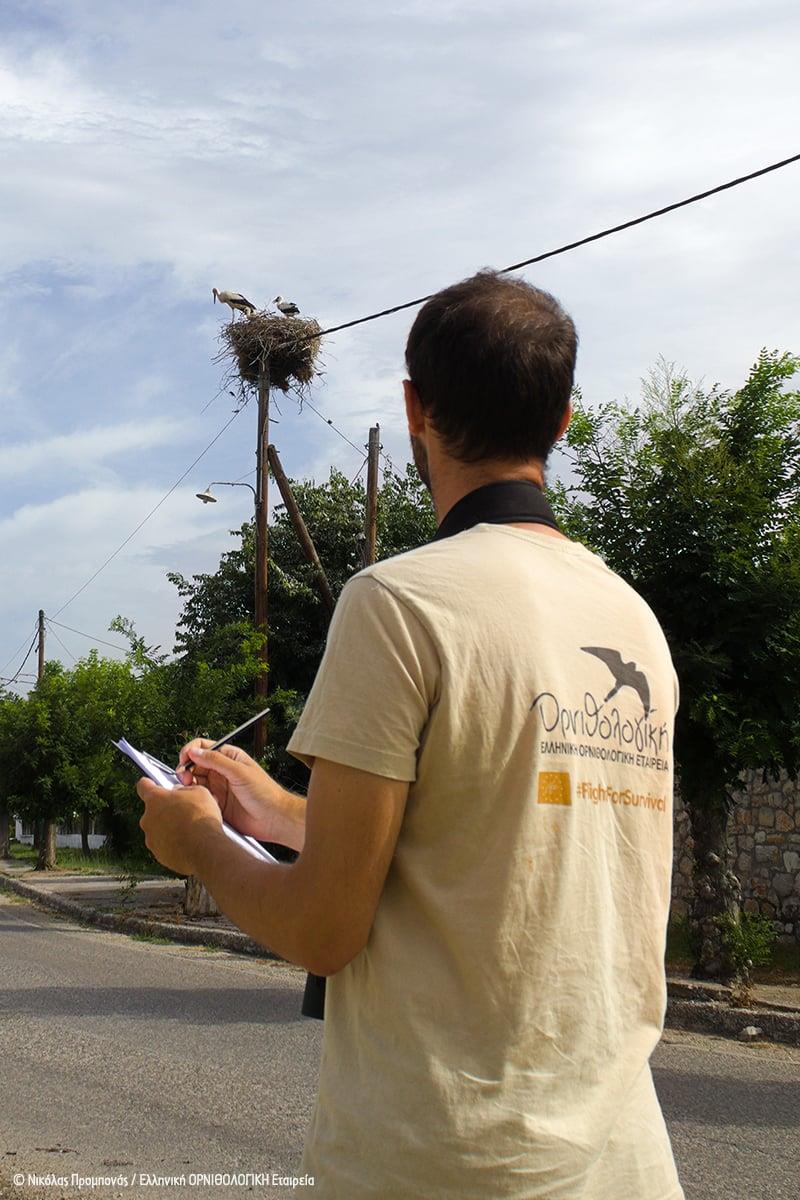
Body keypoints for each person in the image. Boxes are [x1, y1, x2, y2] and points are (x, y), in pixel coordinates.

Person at [138, 270, 685, 1199]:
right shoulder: (632, 621)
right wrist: (272, 810)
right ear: (561, 422)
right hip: (623, 1163)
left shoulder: (398, 603)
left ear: (414, 409)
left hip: (443, 1159)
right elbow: (486, 845)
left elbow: (324, 927)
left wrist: (201, 846)